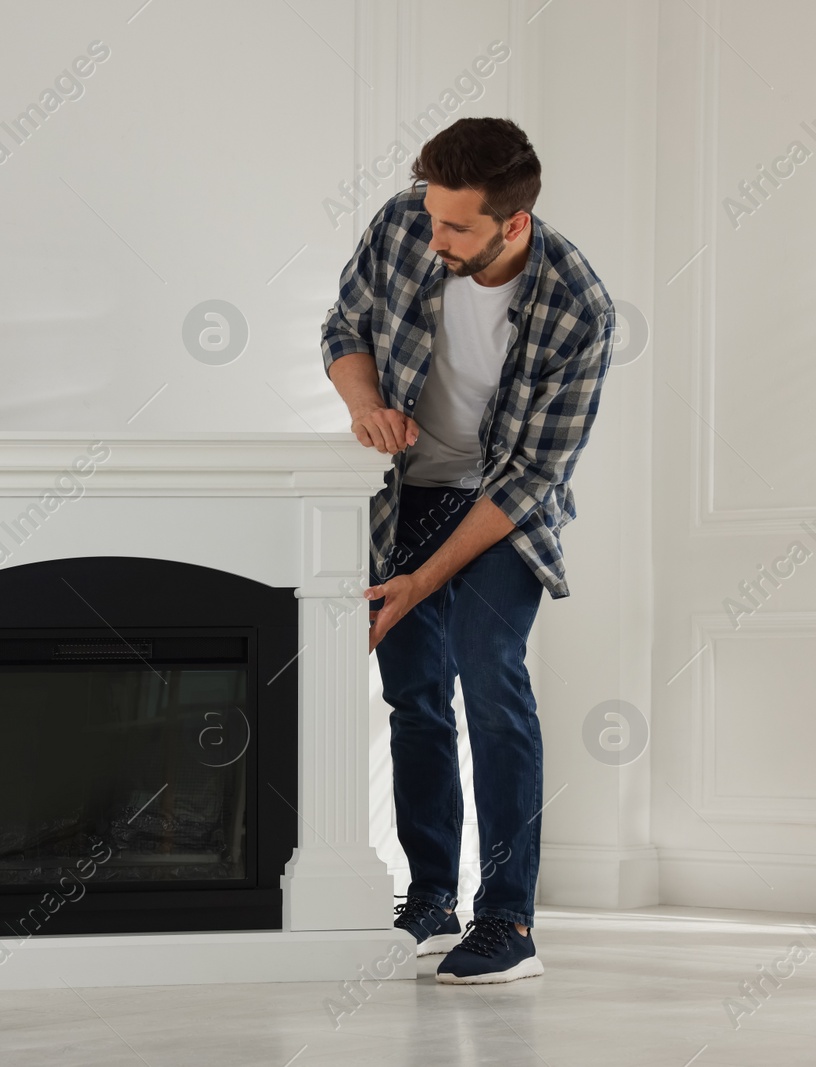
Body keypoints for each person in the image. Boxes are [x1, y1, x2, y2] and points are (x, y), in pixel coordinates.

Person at [319, 117, 616, 984]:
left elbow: (530, 476)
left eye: (456, 226)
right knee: (413, 694)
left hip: (498, 507)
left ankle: (508, 917)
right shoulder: (406, 221)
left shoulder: (577, 308)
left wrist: (420, 581)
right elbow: (345, 327)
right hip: (404, 489)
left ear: (511, 223)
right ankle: (430, 899)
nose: (433, 234)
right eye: (431, 214)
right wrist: (365, 405)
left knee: (490, 676)